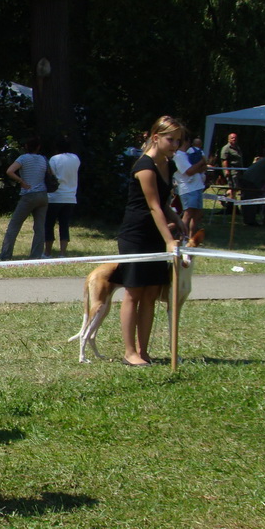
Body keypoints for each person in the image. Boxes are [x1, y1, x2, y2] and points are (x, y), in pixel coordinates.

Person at [109, 115, 187, 367]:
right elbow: (152, 207)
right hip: (137, 235)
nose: (175, 144)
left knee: (152, 293)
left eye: (178, 140)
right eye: (170, 139)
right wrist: (169, 241)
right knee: (134, 292)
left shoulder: (168, 164)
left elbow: (164, 203)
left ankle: (144, 351)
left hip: (157, 232)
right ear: (156, 137)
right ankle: (129, 352)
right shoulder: (144, 166)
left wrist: (179, 218)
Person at [0, 137, 49, 260]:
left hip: (28, 194)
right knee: (39, 227)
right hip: (43, 195)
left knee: (14, 225)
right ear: (38, 147)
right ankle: (36, 255)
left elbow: (10, 171)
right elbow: (50, 173)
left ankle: (5, 254)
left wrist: (21, 181)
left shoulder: (23, 158)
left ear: (26, 147)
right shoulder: (44, 159)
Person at [44, 137, 80, 256]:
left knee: (49, 224)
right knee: (64, 225)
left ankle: (48, 252)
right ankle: (62, 253)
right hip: (70, 196)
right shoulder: (75, 158)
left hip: (55, 196)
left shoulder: (54, 159)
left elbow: (51, 175)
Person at [172, 133, 207, 237]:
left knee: (197, 215)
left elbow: (200, 169)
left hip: (197, 186)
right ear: (185, 142)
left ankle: (191, 237)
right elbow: (189, 171)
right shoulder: (178, 156)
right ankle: (182, 236)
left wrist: (201, 166)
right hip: (187, 188)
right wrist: (201, 162)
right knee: (188, 214)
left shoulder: (187, 154)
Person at [220, 132, 244, 205]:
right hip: (232, 171)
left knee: (236, 187)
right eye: (232, 138)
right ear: (228, 139)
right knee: (233, 187)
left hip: (238, 170)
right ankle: (230, 202)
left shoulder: (237, 148)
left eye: (235, 138)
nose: (234, 139)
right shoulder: (226, 148)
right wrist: (226, 170)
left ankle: (225, 197)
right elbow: (224, 160)